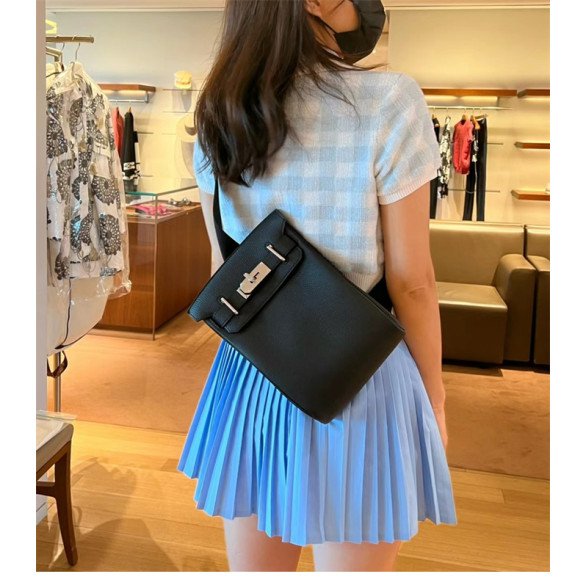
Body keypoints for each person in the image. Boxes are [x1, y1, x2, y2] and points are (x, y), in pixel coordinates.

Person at [178, 0, 457, 572]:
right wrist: (434, 395)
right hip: (361, 374)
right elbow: (413, 282)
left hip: (255, 370)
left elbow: (222, 264)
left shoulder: (218, 109)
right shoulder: (388, 100)